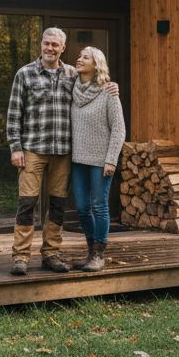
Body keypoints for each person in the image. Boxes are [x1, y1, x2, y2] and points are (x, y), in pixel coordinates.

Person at [5, 27, 117, 275]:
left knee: (57, 206)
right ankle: (21, 256)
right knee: (27, 204)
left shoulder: (72, 75)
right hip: (33, 150)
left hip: (63, 153)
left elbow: (94, 84)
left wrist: (112, 87)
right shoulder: (24, 74)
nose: (50, 48)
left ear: (62, 48)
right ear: (41, 44)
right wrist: (15, 148)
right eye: (47, 43)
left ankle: (51, 254)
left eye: (55, 45)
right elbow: (13, 114)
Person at [69, 46, 125, 272]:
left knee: (99, 207)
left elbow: (119, 129)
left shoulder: (108, 92)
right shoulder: (72, 89)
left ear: (97, 64)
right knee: (82, 208)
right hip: (77, 160)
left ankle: (99, 254)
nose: (79, 59)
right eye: (79, 56)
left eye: (85, 57)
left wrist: (111, 160)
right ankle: (90, 251)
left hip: (101, 161)